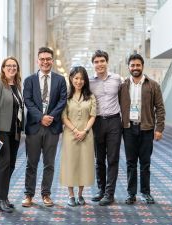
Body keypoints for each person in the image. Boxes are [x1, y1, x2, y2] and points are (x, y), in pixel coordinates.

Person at [22, 47, 67, 207]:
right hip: (34, 127)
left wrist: (50, 117)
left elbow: (63, 101)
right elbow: (28, 101)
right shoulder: (29, 80)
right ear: (37, 61)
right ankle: (28, 195)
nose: (45, 62)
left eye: (48, 59)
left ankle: (46, 194)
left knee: (49, 163)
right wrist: (41, 117)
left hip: (52, 128)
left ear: (52, 61)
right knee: (31, 163)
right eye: (42, 59)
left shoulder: (60, 80)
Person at [119, 53, 165, 204]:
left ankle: (146, 192)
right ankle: (131, 194)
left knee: (145, 163)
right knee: (131, 163)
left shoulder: (152, 85)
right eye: (132, 65)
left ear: (142, 66)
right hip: (128, 128)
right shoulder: (123, 86)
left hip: (146, 128)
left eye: (138, 65)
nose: (135, 68)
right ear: (128, 67)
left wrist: (159, 128)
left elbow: (160, 108)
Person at [0, 56, 24, 213]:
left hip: (15, 131)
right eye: (8, 66)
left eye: (14, 66)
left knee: (11, 164)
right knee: (4, 164)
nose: (11, 68)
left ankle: (5, 197)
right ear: (3, 68)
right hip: (1, 130)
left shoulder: (17, 86)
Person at [60, 66, 96, 207]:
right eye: (76, 78)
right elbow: (64, 117)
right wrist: (75, 130)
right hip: (70, 134)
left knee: (84, 164)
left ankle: (80, 195)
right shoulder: (66, 97)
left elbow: (93, 115)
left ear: (85, 80)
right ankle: (71, 195)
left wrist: (85, 131)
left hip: (86, 135)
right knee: (71, 164)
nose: (79, 81)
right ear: (71, 79)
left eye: (81, 78)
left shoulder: (91, 96)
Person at [89, 50, 122, 206]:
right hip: (97, 123)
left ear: (107, 62)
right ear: (93, 64)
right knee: (99, 159)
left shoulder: (117, 79)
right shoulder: (89, 82)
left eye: (102, 61)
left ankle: (110, 193)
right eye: (96, 62)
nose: (99, 64)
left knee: (113, 158)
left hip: (114, 121)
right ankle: (101, 190)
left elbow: (125, 100)